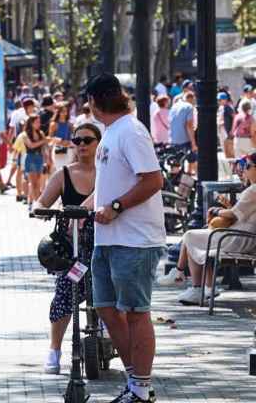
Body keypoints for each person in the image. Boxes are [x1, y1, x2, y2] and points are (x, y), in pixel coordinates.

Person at [85, 73, 165, 403]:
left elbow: (153, 180)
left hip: (134, 239)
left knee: (135, 311)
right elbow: (110, 184)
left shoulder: (131, 131)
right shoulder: (110, 133)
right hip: (107, 238)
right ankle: (135, 383)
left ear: (94, 101)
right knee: (105, 308)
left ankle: (141, 389)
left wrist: (116, 207)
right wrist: (78, 208)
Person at [34, 123, 101, 374]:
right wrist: (39, 209)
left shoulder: (108, 172)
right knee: (65, 293)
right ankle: (54, 350)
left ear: (98, 143)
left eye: (88, 140)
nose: (82, 145)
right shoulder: (64, 174)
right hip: (72, 249)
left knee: (110, 291)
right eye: (77, 140)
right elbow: (43, 200)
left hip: (102, 244)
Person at [159, 151, 256, 304]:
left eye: (247, 166)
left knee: (191, 236)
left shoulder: (253, 190)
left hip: (240, 238)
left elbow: (233, 214)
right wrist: (226, 209)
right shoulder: (252, 190)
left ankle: (189, 281)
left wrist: (217, 210)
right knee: (196, 236)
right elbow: (240, 213)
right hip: (241, 235)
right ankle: (202, 286)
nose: (244, 169)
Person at [22, 114, 47, 209]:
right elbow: (31, 145)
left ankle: (31, 202)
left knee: (38, 182)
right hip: (30, 158)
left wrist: (46, 158)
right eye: (36, 122)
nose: (39, 124)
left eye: (39, 122)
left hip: (39, 158)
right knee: (34, 183)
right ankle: (36, 204)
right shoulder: (25, 134)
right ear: (31, 123)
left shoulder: (40, 133)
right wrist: (43, 141)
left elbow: (44, 147)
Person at [169, 91, 198, 174]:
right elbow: (189, 125)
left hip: (173, 139)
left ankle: (174, 183)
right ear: (191, 99)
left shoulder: (174, 106)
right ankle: (190, 184)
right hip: (185, 140)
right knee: (193, 161)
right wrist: (193, 143)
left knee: (175, 165)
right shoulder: (189, 107)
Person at [49, 103, 73, 171]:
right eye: (62, 111)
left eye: (66, 111)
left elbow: (73, 136)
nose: (64, 113)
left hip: (68, 150)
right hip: (58, 150)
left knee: (67, 172)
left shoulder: (70, 124)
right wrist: (60, 140)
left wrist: (69, 142)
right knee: (59, 171)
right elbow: (50, 138)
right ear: (58, 112)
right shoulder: (54, 124)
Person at [218, 91, 236, 159]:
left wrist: (232, 129)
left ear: (225, 99)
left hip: (227, 132)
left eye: (220, 99)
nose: (218, 101)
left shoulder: (227, 107)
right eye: (218, 100)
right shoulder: (220, 107)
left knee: (230, 152)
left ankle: (233, 168)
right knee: (225, 150)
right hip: (222, 131)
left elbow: (234, 117)